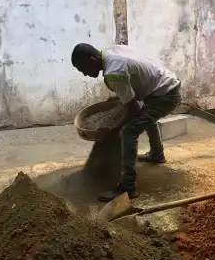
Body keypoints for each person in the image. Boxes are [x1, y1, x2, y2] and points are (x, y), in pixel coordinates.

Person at [71, 43, 182, 202]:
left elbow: (133, 110)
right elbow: (131, 81)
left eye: (83, 69)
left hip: (166, 95)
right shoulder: (110, 52)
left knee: (129, 130)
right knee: (146, 115)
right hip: (164, 84)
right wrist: (119, 98)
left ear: (91, 59)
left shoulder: (114, 73)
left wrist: (113, 129)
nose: (85, 74)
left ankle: (127, 187)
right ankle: (157, 154)